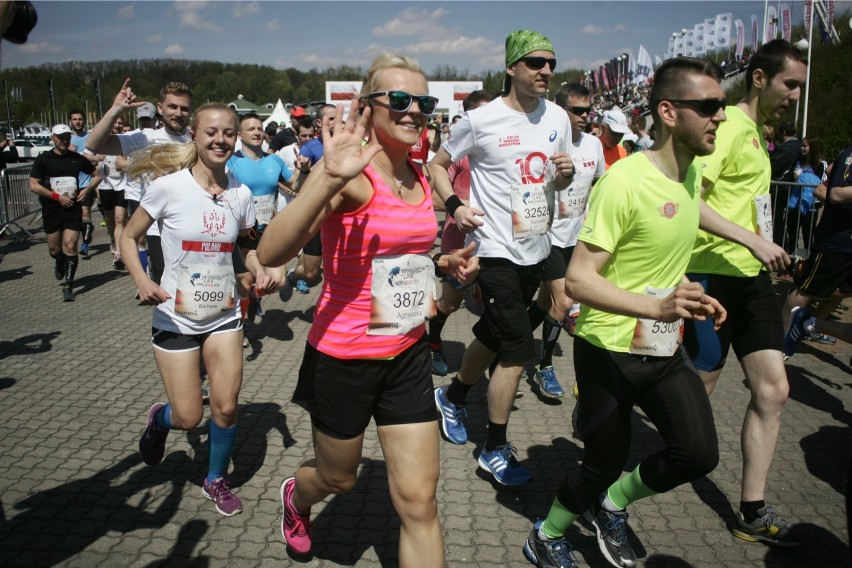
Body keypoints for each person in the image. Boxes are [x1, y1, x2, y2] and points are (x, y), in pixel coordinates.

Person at [257, 53, 477, 565]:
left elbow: (401, 253)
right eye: (399, 100)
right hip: (344, 356)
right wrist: (326, 178)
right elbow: (270, 253)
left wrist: (441, 263)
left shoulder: (421, 176)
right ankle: (297, 496)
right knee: (340, 477)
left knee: (420, 503)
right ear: (367, 106)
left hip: (406, 353)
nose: (413, 110)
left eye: (422, 101)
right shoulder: (351, 176)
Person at [523, 57, 727, 568]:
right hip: (608, 349)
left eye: (720, 107)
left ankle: (613, 505)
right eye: (708, 107)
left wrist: (687, 291)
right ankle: (546, 535)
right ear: (669, 112)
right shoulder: (625, 180)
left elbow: (655, 260)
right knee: (601, 461)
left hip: (660, 345)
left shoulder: (691, 175)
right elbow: (578, 279)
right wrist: (659, 304)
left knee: (698, 454)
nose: (719, 117)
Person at [429, 30, 574, 486]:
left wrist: (565, 176)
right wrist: (456, 206)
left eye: (550, 62)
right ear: (511, 67)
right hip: (492, 251)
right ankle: (493, 448)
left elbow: (558, 183)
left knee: (495, 335)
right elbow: (437, 164)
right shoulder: (482, 119)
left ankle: (451, 397)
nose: (545, 70)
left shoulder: (559, 118)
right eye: (534, 62)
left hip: (537, 244)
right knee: (516, 351)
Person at [683, 39, 811, 546]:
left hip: (753, 281)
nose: (796, 95)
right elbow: (690, 198)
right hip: (711, 277)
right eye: (790, 84)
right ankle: (615, 420)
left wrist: (763, 244)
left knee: (774, 389)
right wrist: (753, 239)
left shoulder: (757, 134)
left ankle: (751, 510)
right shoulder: (730, 127)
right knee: (698, 391)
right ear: (759, 78)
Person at [119, 103, 256, 517]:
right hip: (175, 318)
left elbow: (246, 247)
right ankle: (159, 421)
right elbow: (129, 237)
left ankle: (215, 478)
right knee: (188, 416)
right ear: (194, 135)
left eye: (228, 133)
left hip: (224, 315)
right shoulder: (169, 187)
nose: (220, 140)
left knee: (227, 406)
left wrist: (262, 267)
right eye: (211, 132)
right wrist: (143, 281)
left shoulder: (241, 192)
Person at [525, 82, 605, 398]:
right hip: (546, 237)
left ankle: (509, 343)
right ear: (561, 110)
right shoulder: (543, 141)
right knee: (565, 302)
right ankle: (544, 366)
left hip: (577, 239)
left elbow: (599, 183)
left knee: (546, 304)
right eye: (579, 110)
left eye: (589, 110)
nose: (586, 116)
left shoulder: (594, 146)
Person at [87, 80, 194, 285]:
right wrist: (115, 110)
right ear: (160, 108)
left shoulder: (197, 140)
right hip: (159, 231)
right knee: (169, 290)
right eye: (172, 107)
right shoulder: (145, 138)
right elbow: (94, 144)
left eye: (184, 108)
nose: (178, 113)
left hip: (194, 227)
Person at [428, 89, 496, 376]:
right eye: (485, 113)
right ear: (469, 117)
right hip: (459, 245)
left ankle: (496, 362)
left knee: (496, 304)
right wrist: (462, 207)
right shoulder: (457, 153)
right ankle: (432, 343)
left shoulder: (502, 148)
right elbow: (432, 199)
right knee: (451, 303)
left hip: (496, 245)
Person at [226, 112, 305, 323]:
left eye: (259, 128)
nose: (257, 132)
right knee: (245, 281)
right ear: (240, 135)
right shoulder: (231, 162)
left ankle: (254, 296)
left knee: (278, 281)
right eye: (251, 129)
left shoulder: (274, 160)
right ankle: (238, 326)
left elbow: (295, 184)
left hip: (268, 230)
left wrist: (302, 170)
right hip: (242, 233)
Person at [783, 144, 852, 358]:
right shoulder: (850, 155)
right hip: (836, 243)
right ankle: (779, 340)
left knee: (842, 292)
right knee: (806, 290)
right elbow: (833, 193)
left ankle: (809, 325)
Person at [28, 124, 98, 301]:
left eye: (67, 137)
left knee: (71, 245)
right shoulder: (43, 159)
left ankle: (68, 285)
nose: (64, 141)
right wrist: (56, 197)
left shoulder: (77, 158)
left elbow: (98, 175)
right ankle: (59, 260)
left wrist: (87, 189)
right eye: (60, 137)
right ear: (53, 138)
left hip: (72, 208)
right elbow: (33, 185)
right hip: (52, 208)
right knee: (54, 249)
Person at [278, 105, 336, 301]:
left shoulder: (350, 146)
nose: (339, 122)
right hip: (318, 216)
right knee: (311, 274)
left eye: (340, 118)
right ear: (319, 123)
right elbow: (297, 186)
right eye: (332, 118)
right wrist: (304, 170)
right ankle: (293, 277)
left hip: (343, 217)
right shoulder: (310, 148)